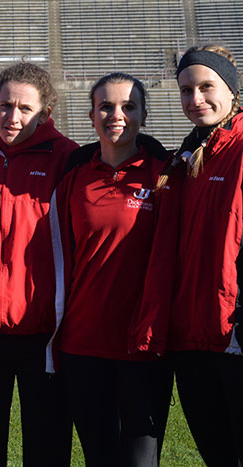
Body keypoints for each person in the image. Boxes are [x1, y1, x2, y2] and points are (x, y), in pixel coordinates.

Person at [0, 62, 77, 467]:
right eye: (6, 106)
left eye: (25, 108)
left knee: (47, 450)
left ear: (45, 111)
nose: (13, 117)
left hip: (43, 335)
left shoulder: (68, 159)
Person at [50, 73, 176, 466]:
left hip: (143, 345)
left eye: (128, 106)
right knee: (99, 458)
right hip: (83, 344)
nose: (116, 115)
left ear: (143, 114)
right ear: (91, 115)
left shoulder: (165, 174)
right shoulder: (74, 176)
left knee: (141, 460)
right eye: (106, 106)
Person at [164, 44, 243, 465]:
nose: (195, 100)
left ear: (231, 89)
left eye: (207, 87)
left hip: (233, 337)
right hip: (193, 339)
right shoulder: (186, 156)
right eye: (185, 90)